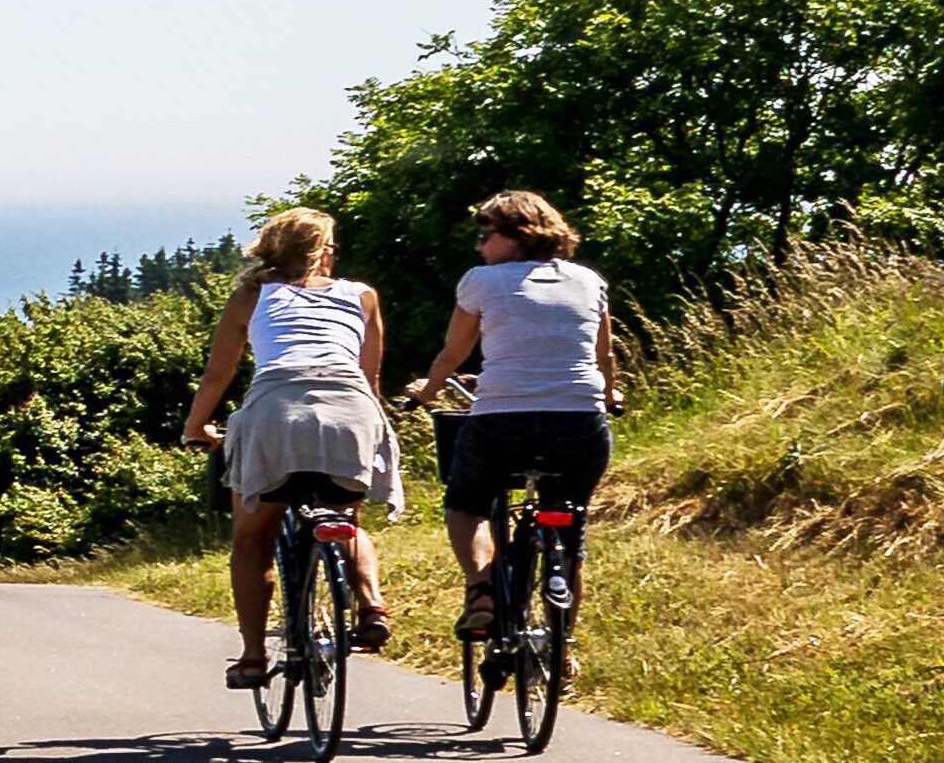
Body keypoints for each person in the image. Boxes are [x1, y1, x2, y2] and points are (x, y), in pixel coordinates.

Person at [182, 207, 402, 689]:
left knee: (252, 538)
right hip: (349, 412)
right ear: (322, 252)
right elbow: (370, 377)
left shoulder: (252, 295)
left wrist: (197, 427)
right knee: (345, 520)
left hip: (274, 417)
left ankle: (254, 657)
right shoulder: (362, 295)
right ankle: (371, 605)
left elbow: (219, 374)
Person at [403, 190, 620, 640]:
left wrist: (429, 390)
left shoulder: (482, 281)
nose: (480, 246)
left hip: (502, 422)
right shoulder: (587, 280)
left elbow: (452, 353)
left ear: (517, 237)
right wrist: (612, 394)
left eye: (486, 236)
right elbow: (604, 356)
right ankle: (562, 650)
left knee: (465, 504)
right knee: (571, 527)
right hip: (580, 421)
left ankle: (481, 589)